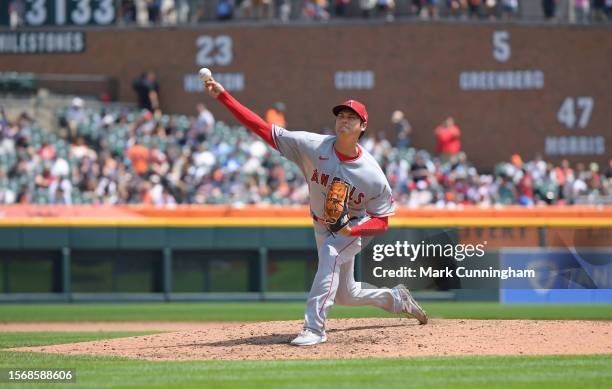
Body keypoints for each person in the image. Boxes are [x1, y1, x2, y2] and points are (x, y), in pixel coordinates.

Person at [203, 76, 428, 346]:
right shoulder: (312, 145)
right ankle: (395, 298)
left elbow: (382, 221)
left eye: (351, 116)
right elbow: (264, 130)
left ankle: (314, 328)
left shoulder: (372, 174)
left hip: (352, 226)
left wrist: (352, 230)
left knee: (331, 253)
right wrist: (223, 96)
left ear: (363, 126)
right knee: (347, 294)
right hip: (321, 224)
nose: (344, 119)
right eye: (341, 115)